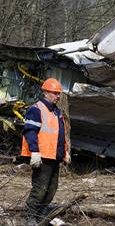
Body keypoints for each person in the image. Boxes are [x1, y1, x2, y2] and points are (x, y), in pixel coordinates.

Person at [21, 78, 70, 224]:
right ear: (46, 93)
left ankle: (41, 215)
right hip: (42, 156)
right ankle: (31, 217)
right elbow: (30, 131)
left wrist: (65, 152)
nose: (58, 96)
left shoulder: (57, 112)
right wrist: (34, 151)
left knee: (51, 189)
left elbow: (60, 134)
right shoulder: (36, 109)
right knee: (40, 189)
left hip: (54, 156)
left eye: (58, 93)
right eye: (54, 93)